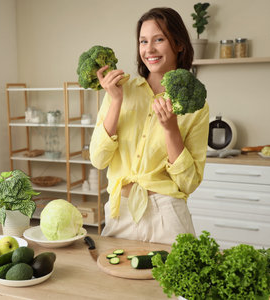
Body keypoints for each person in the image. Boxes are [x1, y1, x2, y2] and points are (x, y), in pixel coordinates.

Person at [89, 7, 209, 244]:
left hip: (168, 214)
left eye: (159, 39)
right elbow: (98, 159)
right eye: (143, 41)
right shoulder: (120, 91)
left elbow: (188, 183)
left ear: (179, 44)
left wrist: (171, 128)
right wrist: (115, 101)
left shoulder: (195, 106)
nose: (149, 49)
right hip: (120, 212)